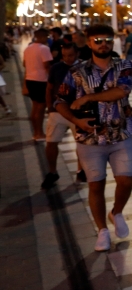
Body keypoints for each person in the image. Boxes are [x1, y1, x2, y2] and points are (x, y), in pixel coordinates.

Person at [53, 24, 132, 252]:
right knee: (96, 185)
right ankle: (102, 230)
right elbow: (59, 101)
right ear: (88, 43)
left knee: (126, 181)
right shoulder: (76, 72)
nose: (103, 44)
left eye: (108, 39)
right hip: (89, 140)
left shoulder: (124, 65)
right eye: (98, 40)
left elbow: (122, 91)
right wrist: (76, 121)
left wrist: (88, 98)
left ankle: (116, 212)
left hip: (120, 134)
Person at [41, 40, 81, 189]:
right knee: (51, 142)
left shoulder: (85, 67)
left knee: (81, 144)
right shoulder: (57, 68)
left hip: (78, 113)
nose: (67, 58)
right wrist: (49, 107)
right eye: (64, 55)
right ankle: (52, 172)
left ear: (77, 53)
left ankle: (80, 171)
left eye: (70, 55)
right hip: (58, 111)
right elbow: (49, 88)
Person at [22, 28, 53, 141]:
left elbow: (24, 64)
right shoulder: (44, 49)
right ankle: (39, 133)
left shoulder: (28, 49)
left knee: (35, 107)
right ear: (44, 36)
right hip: (41, 81)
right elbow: (47, 66)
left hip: (30, 80)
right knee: (40, 108)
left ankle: (36, 132)